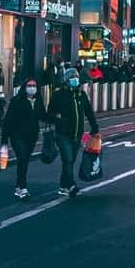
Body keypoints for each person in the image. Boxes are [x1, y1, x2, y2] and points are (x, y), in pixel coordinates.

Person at [45, 66, 98, 197]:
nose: (75, 79)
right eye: (72, 78)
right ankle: (71, 185)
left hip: (77, 134)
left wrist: (94, 127)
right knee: (67, 159)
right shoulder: (58, 95)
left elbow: (89, 112)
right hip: (63, 134)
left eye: (76, 77)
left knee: (70, 161)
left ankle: (63, 185)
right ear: (66, 80)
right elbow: (50, 113)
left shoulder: (81, 95)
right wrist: (59, 120)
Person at [1, 77, 43, 199]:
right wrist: (4, 140)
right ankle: (23, 187)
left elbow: (43, 115)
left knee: (24, 161)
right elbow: (8, 120)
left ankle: (19, 186)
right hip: (17, 135)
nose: (32, 88)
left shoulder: (38, 101)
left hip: (32, 136)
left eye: (34, 85)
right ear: (24, 87)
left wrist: (57, 120)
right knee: (22, 158)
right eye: (29, 85)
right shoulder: (16, 101)